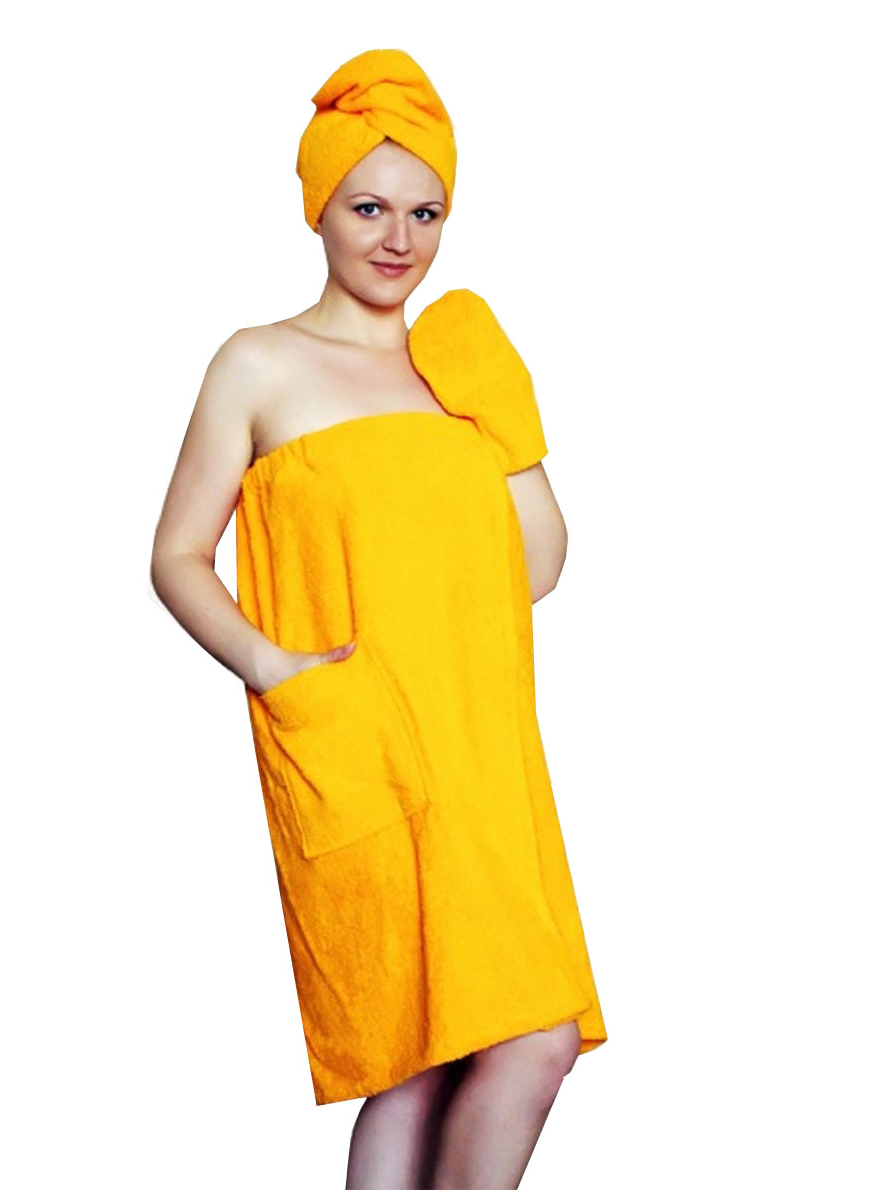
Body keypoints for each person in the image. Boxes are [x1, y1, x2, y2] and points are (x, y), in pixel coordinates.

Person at [151, 47, 608, 1189]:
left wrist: (504, 417)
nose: (398, 239)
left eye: (425, 212)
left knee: (520, 1039)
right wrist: (272, 665)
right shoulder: (258, 363)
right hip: (357, 734)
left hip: (483, 750)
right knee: (416, 1058)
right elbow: (177, 555)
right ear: (319, 205)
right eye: (368, 207)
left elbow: (537, 565)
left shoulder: (452, 365)